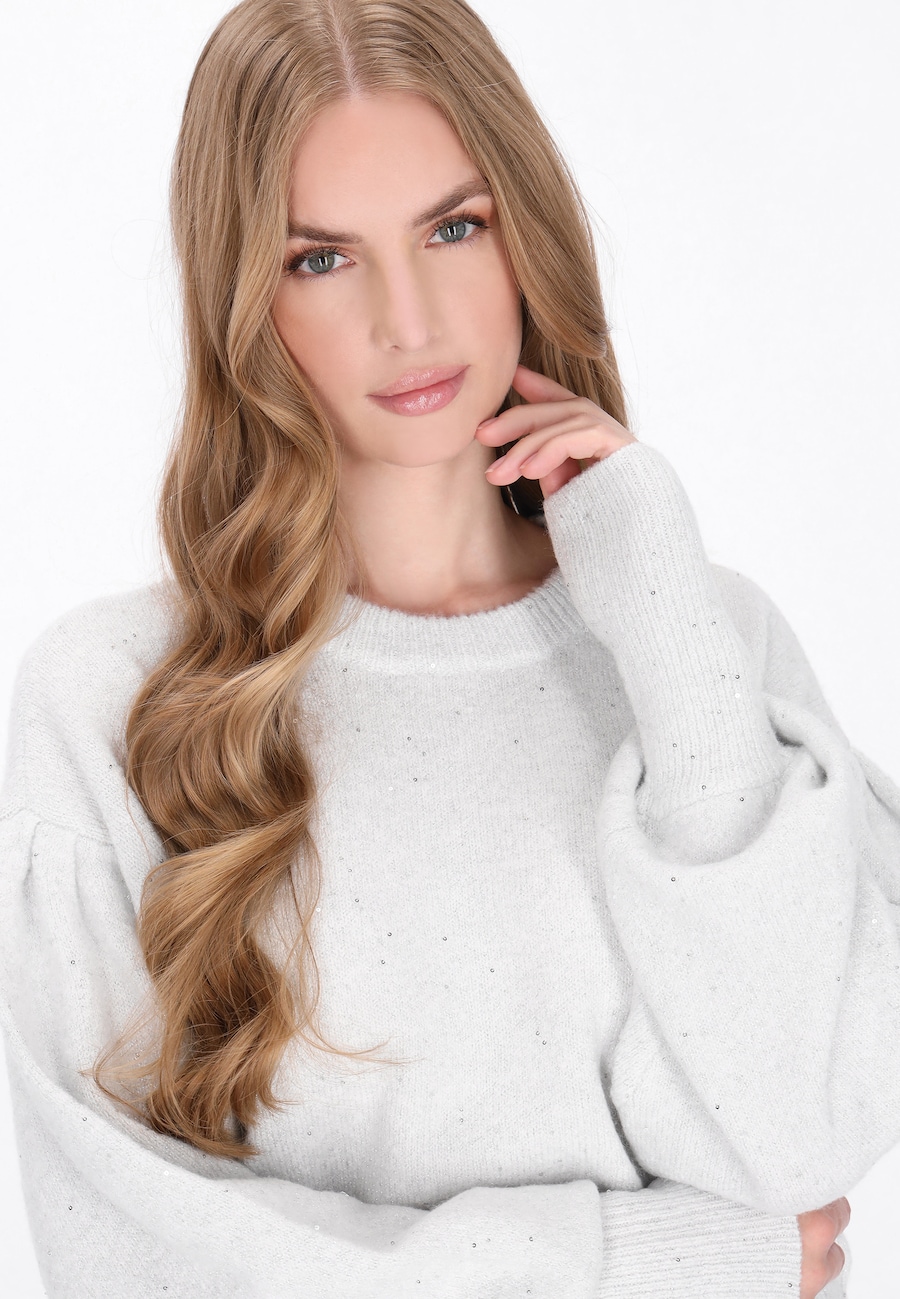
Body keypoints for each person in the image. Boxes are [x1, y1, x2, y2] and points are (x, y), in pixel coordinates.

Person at [0, 0, 895, 1294]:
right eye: (322, 258)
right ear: (241, 294)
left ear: (525, 230)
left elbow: (806, 1133)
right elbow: (125, 1253)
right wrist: (647, 1269)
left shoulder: (703, 644)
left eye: (453, 228)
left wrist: (661, 604)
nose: (408, 320)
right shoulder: (112, 704)